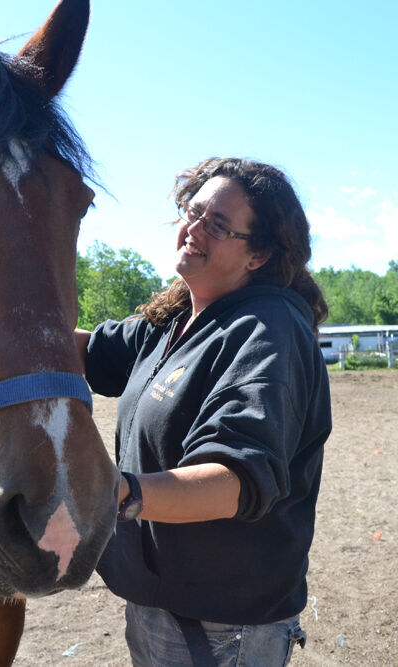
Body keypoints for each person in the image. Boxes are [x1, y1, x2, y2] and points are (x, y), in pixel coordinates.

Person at [75, 157, 332, 666]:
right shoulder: (177, 322)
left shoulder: (267, 330)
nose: (193, 230)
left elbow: (235, 479)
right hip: (161, 603)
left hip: (222, 625)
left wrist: (115, 492)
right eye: (192, 213)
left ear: (257, 255)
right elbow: (87, 351)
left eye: (217, 225)